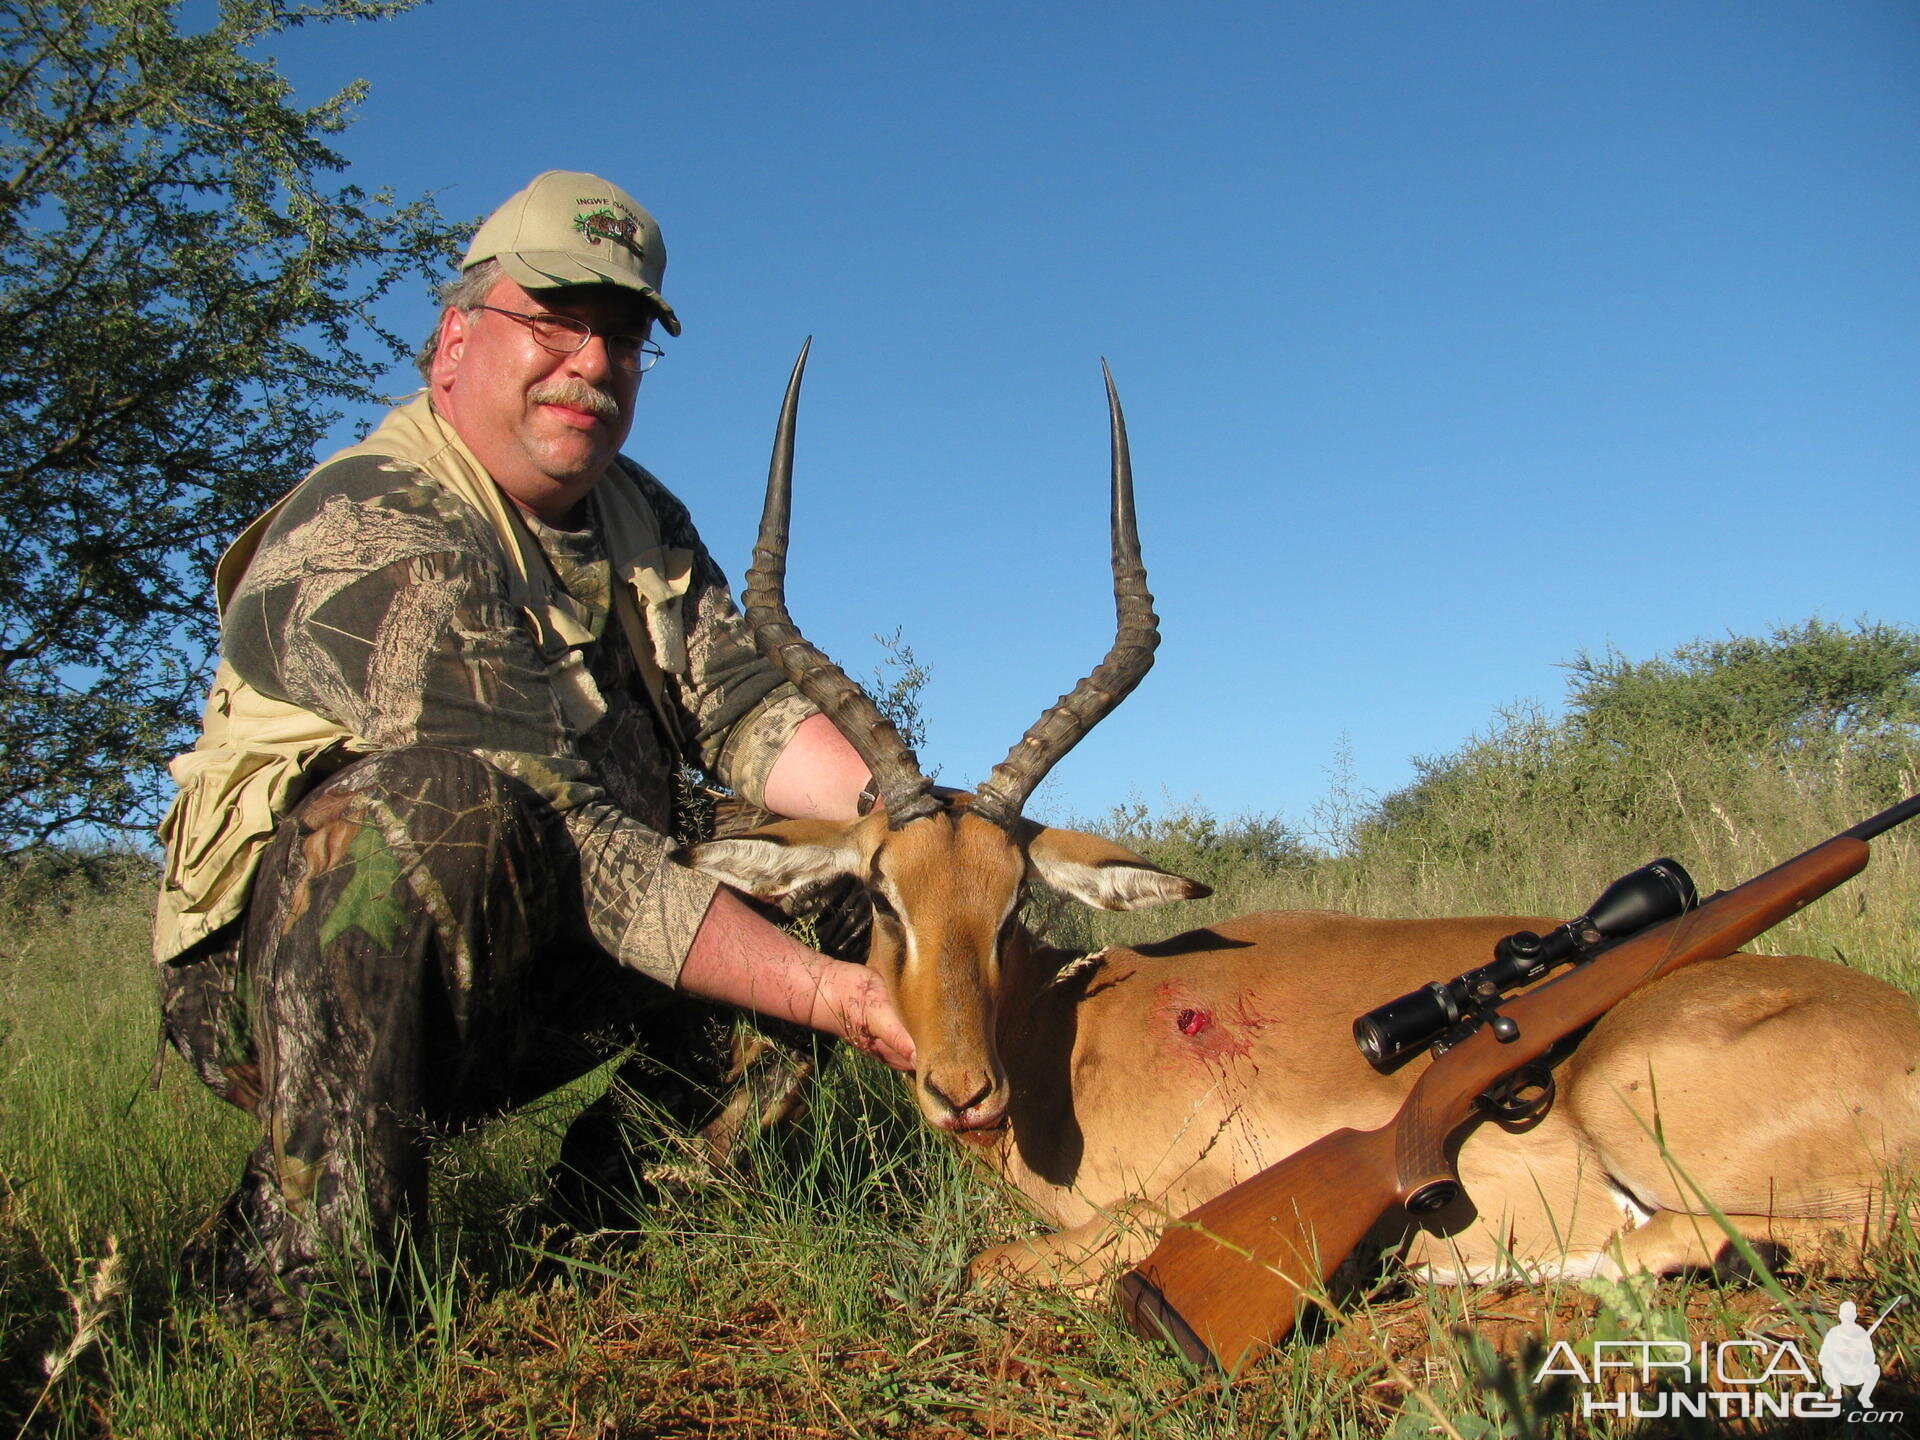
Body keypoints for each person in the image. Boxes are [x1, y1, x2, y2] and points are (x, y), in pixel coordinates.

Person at [153, 170, 913, 1323]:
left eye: (621, 338)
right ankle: (307, 1285)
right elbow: (563, 826)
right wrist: (836, 996)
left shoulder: (637, 515)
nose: (594, 365)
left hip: (560, 917)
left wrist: (930, 832)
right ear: (455, 337)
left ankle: (606, 1250)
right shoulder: (367, 519)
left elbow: (752, 710)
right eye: (554, 321)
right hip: (309, 976)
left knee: (854, 864)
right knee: (436, 808)